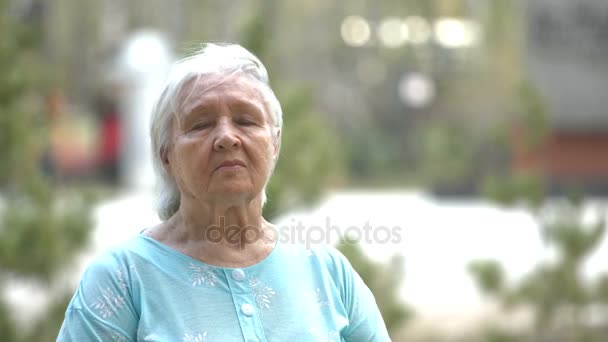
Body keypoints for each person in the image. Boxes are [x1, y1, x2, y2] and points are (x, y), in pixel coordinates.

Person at [57, 43, 390, 341]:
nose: (227, 138)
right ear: (166, 155)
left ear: (274, 144)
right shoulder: (122, 280)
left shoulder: (328, 271)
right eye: (200, 124)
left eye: (246, 120)